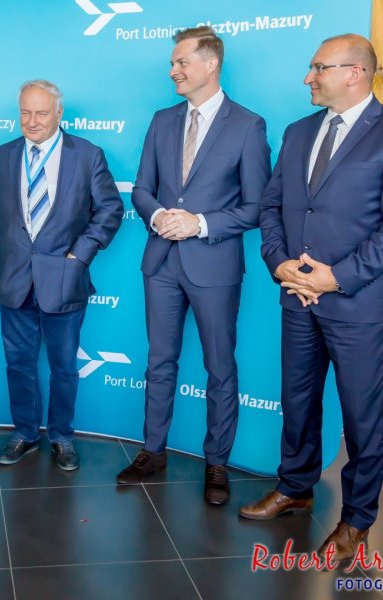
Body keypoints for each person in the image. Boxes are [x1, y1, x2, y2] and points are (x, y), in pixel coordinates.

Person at [240, 34, 383, 563]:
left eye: (319, 68)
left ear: (355, 73)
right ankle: (295, 487)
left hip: (357, 303)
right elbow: (272, 206)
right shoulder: (299, 131)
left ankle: (357, 520)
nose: (309, 77)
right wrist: (279, 262)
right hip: (296, 296)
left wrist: (336, 277)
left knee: (362, 416)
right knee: (297, 401)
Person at [116, 26, 271, 506]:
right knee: (158, 362)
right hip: (161, 261)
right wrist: (159, 216)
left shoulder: (248, 125)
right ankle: (153, 450)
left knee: (219, 367)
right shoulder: (162, 120)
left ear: (211, 64)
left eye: (182, 62)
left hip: (214, 266)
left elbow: (257, 206)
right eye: (173, 63)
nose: (173, 71)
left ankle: (216, 462)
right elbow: (142, 189)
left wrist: (200, 223)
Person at [0, 80, 123, 471]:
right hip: (13, 281)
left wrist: (79, 256)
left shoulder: (87, 154)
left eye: (41, 113)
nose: (32, 121)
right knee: (18, 364)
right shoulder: (4, 154)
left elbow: (110, 209)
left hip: (65, 280)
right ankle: (25, 433)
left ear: (59, 113)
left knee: (63, 367)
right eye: (25, 112)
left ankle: (61, 436)